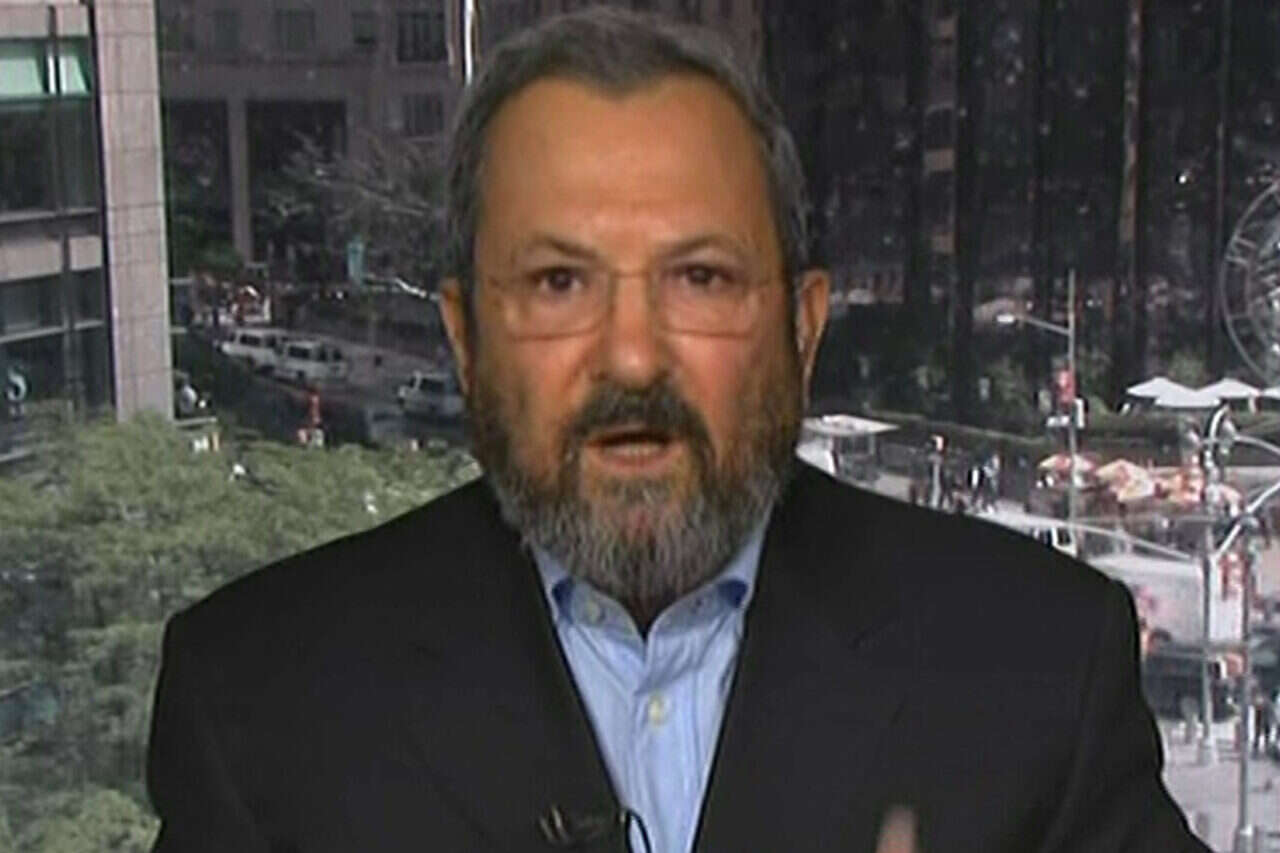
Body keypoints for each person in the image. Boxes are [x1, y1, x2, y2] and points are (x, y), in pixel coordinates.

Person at [146, 9, 1206, 853]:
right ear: (464, 338)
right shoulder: (258, 699)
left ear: (802, 327)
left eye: (699, 277)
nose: (632, 358)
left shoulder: (1037, 666)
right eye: (558, 282)